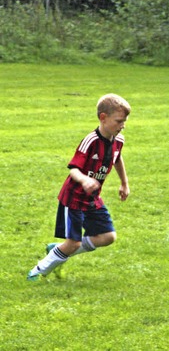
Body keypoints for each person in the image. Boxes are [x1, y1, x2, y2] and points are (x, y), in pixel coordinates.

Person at [27, 94, 131, 281]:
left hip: (92, 198)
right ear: (103, 117)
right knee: (73, 242)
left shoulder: (119, 140)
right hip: (74, 198)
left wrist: (124, 183)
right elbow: (74, 169)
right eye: (119, 121)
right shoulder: (90, 141)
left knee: (108, 236)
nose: (122, 125)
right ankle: (37, 271)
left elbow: (117, 158)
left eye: (124, 121)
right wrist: (84, 180)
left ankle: (59, 250)